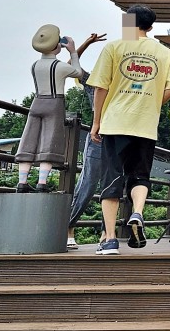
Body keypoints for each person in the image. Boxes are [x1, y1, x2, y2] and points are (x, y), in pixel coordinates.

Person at [88, 5, 170, 255]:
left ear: (128, 23)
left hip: (116, 122)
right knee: (140, 174)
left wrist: (97, 122)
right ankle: (137, 213)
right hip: (145, 124)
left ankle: (109, 239)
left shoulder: (114, 47)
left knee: (112, 177)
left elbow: (100, 88)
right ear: (150, 27)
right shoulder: (163, 52)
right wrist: (149, 103)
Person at [15, 25, 83, 193]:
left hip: (37, 102)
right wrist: (73, 52)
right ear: (55, 46)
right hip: (54, 102)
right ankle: (42, 183)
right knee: (49, 142)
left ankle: (22, 183)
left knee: (29, 140)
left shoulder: (35, 65)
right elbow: (78, 72)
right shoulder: (59, 66)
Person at [64, 33, 107, 250]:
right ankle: (68, 227)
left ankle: (106, 233)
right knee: (88, 184)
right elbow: (72, 64)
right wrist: (86, 44)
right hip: (98, 137)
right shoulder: (92, 83)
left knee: (115, 185)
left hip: (121, 135)